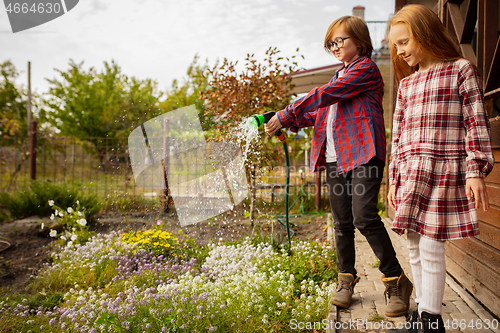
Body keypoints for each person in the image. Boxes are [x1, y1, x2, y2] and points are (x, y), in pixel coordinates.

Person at [264, 15, 413, 317]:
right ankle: (345, 280)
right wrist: (283, 120)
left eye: (339, 40)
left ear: (359, 40)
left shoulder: (365, 70)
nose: (333, 46)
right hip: (335, 160)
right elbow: (316, 113)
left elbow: (323, 96)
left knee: (364, 216)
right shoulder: (337, 78)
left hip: (363, 155)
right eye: (330, 43)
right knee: (342, 223)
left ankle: (396, 280)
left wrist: (287, 112)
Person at [386, 4, 494, 333]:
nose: (399, 50)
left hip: (445, 171)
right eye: (395, 45)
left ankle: (431, 321)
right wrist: (394, 178)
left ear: (425, 33)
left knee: (432, 244)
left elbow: (477, 123)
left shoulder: (461, 70)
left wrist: (475, 170)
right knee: (414, 244)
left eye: (404, 42)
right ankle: (422, 311)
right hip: (412, 174)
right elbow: (398, 136)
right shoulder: (406, 86)